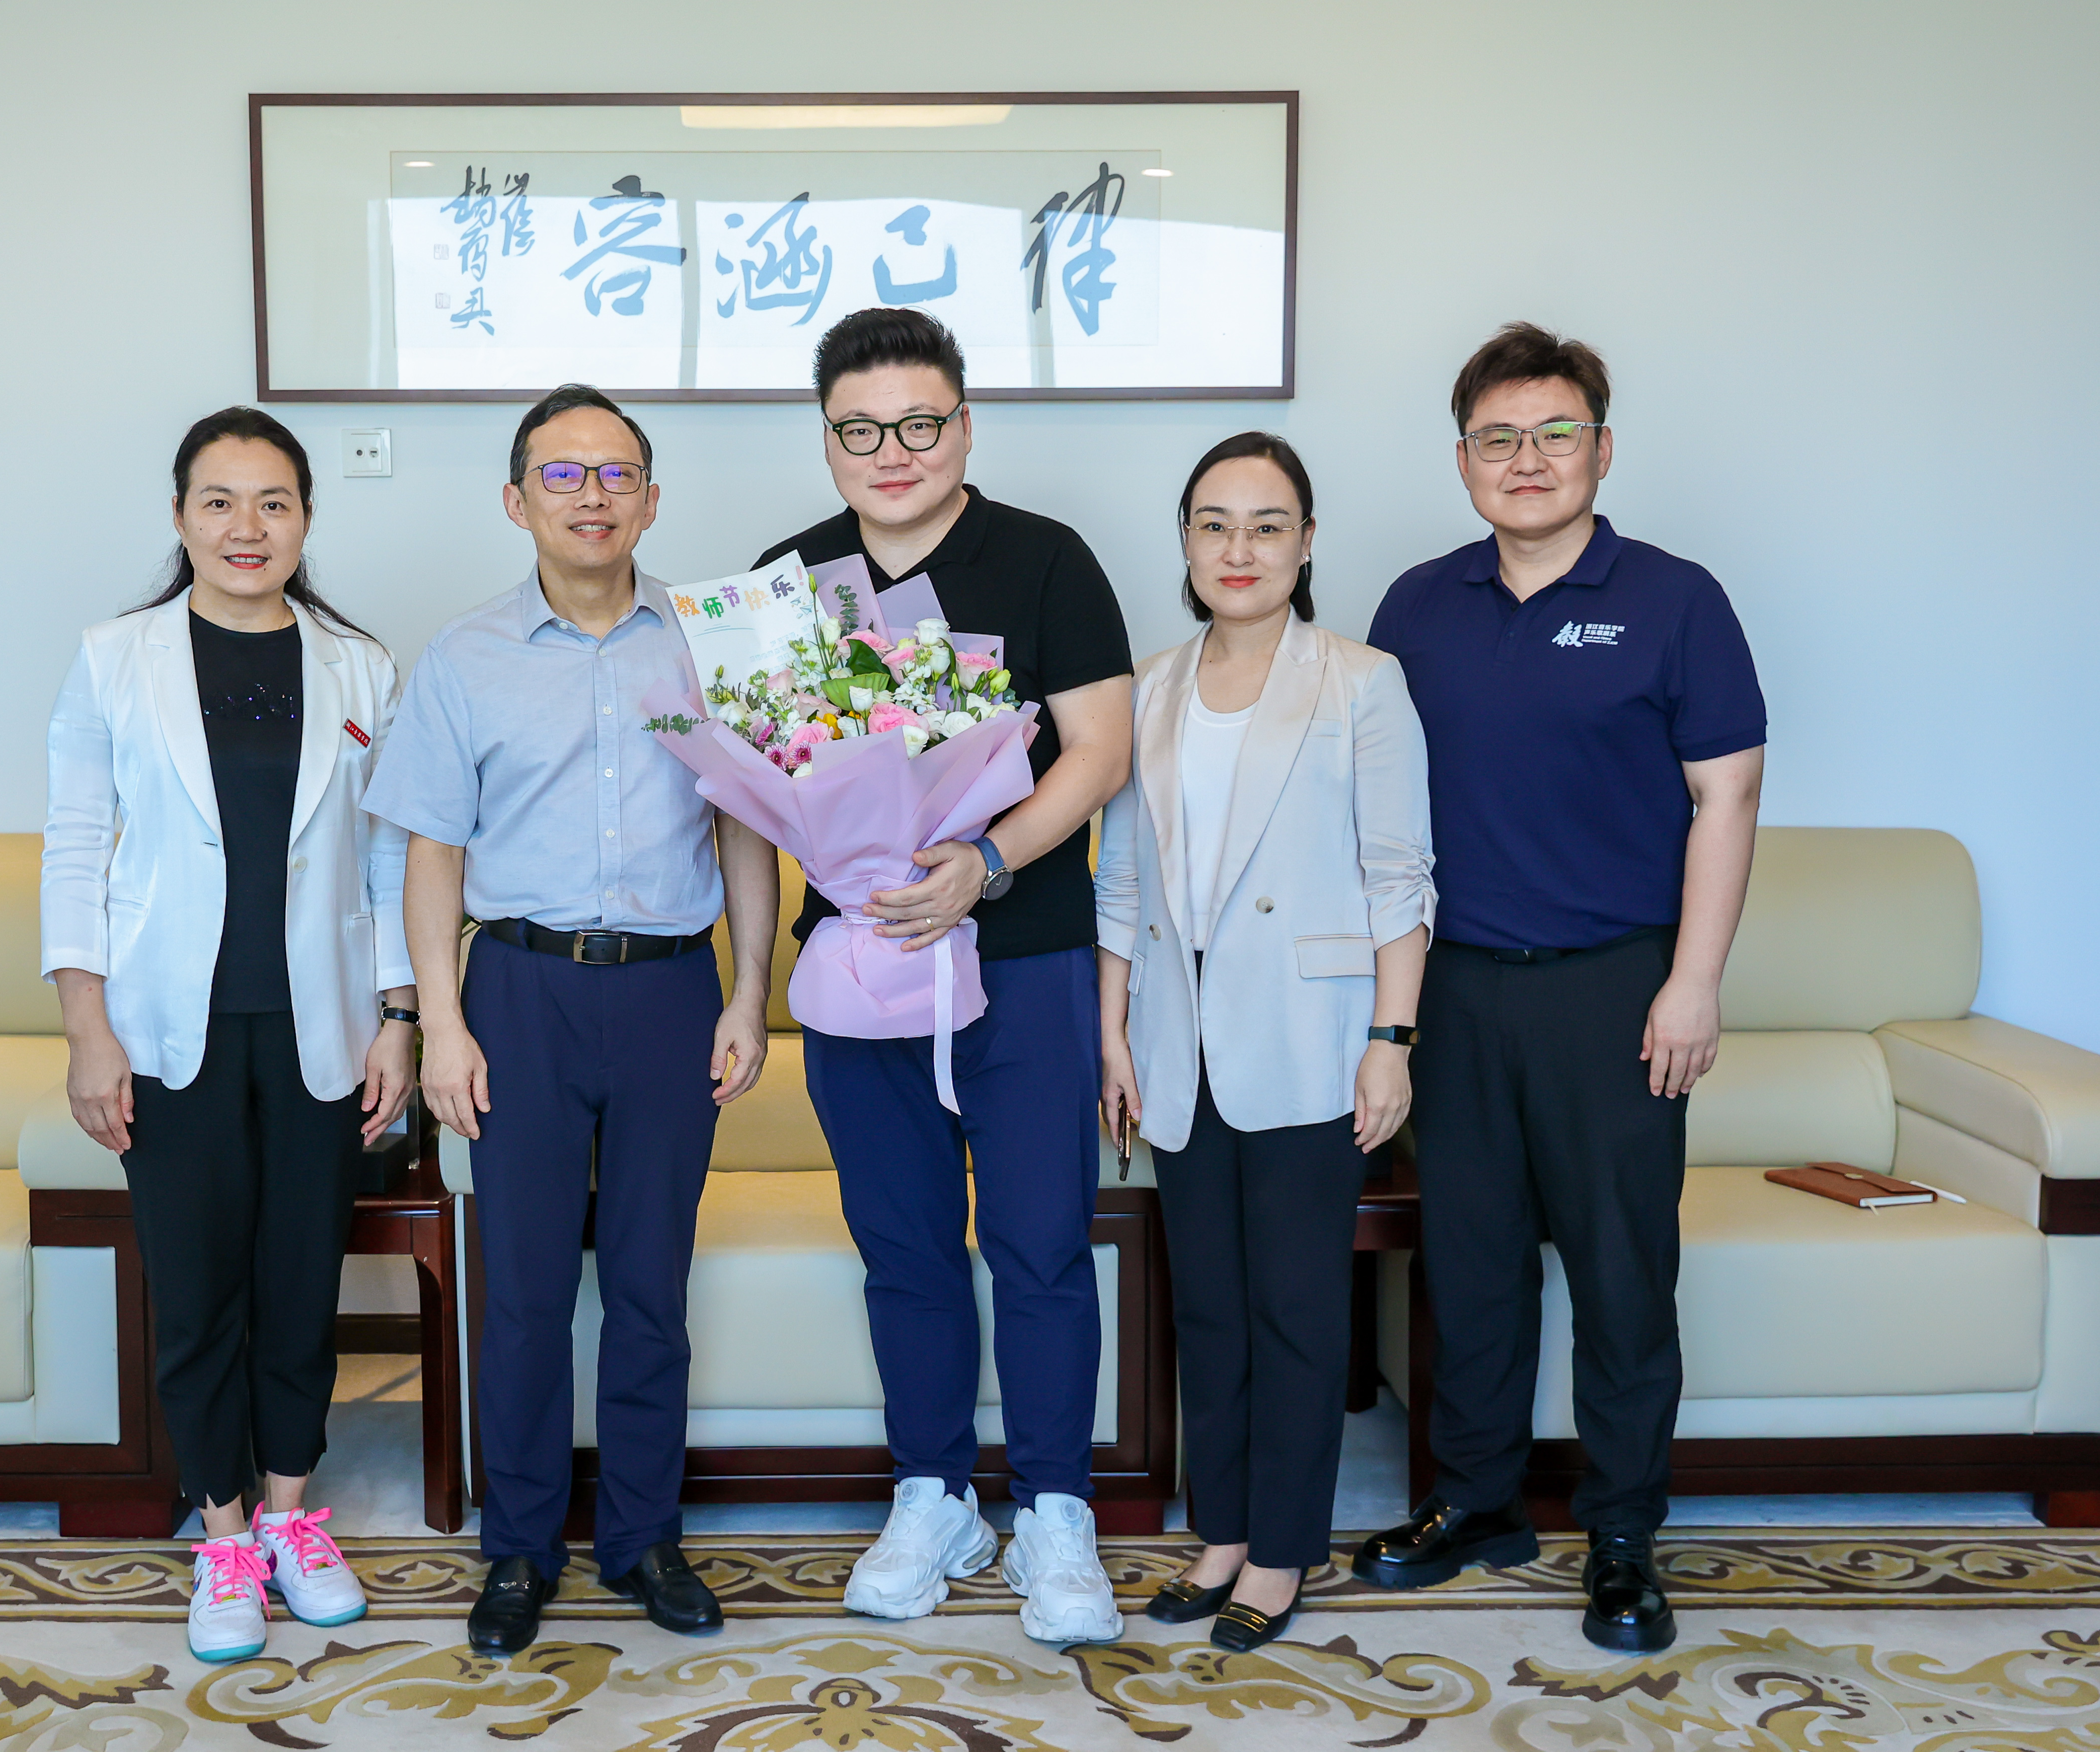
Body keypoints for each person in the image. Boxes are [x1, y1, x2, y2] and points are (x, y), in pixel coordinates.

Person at [1352, 324, 1766, 1653]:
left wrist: (1692, 980)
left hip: (1616, 991)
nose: (1524, 459)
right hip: (1458, 988)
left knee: (1620, 1274)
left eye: (1552, 434)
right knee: (1469, 1266)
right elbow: (1374, 809)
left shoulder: (1674, 599)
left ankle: (1623, 1536)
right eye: (1496, 437)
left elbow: (1724, 798)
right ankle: (1476, 1502)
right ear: (1461, 458)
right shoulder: (1415, 606)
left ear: (1600, 448)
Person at [364, 384, 780, 1655]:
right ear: (516, 500)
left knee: (652, 1283)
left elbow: (747, 829)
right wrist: (442, 1022)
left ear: (651, 501)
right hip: (519, 993)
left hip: (669, 991)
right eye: (562, 473)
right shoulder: (463, 656)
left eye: (616, 474)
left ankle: (644, 1538)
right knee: (526, 1290)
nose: (591, 495)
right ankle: (521, 1546)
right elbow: (430, 851)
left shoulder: (711, 645)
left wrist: (747, 994)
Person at [755, 309, 1135, 1646]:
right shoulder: (788, 580)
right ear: (827, 441)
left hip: (1023, 958)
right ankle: (933, 1495)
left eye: (919, 423)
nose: (892, 450)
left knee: (1039, 1243)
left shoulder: (1045, 558)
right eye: (860, 429)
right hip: (862, 963)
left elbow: (1099, 750)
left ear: (963, 427)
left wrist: (986, 859)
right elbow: (758, 784)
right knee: (903, 1246)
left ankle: (1054, 1511)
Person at [41, 406, 417, 1663]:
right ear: (179, 515)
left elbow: (389, 856)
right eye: (219, 500)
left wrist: (400, 1018)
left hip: (322, 1024)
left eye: (273, 502)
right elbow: (75, 850)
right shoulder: (113, 658)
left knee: (301, 1284)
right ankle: (222, 1535)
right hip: (165, 1031)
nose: (246, 526)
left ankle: (294, 1519)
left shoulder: (360, 665)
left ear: (306, 517)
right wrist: (88, 1030)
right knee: (199, 1291)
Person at [1096, 432, 1433, 1651]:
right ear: (1186, 542)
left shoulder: (1361, 682)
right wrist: (1111, 1033)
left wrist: (1390, 1039)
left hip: (1311, 1035)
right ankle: (1224, 1531)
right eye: (1214, 523)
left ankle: (1284, 1549)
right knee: (1209, 1309)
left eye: (1267, 523)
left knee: (1295, 1307)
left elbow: (1400, 876)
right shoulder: (1146, 688)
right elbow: (1119, 879)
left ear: (1305, 541)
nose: (1238, 548)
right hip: (1177, 1040)